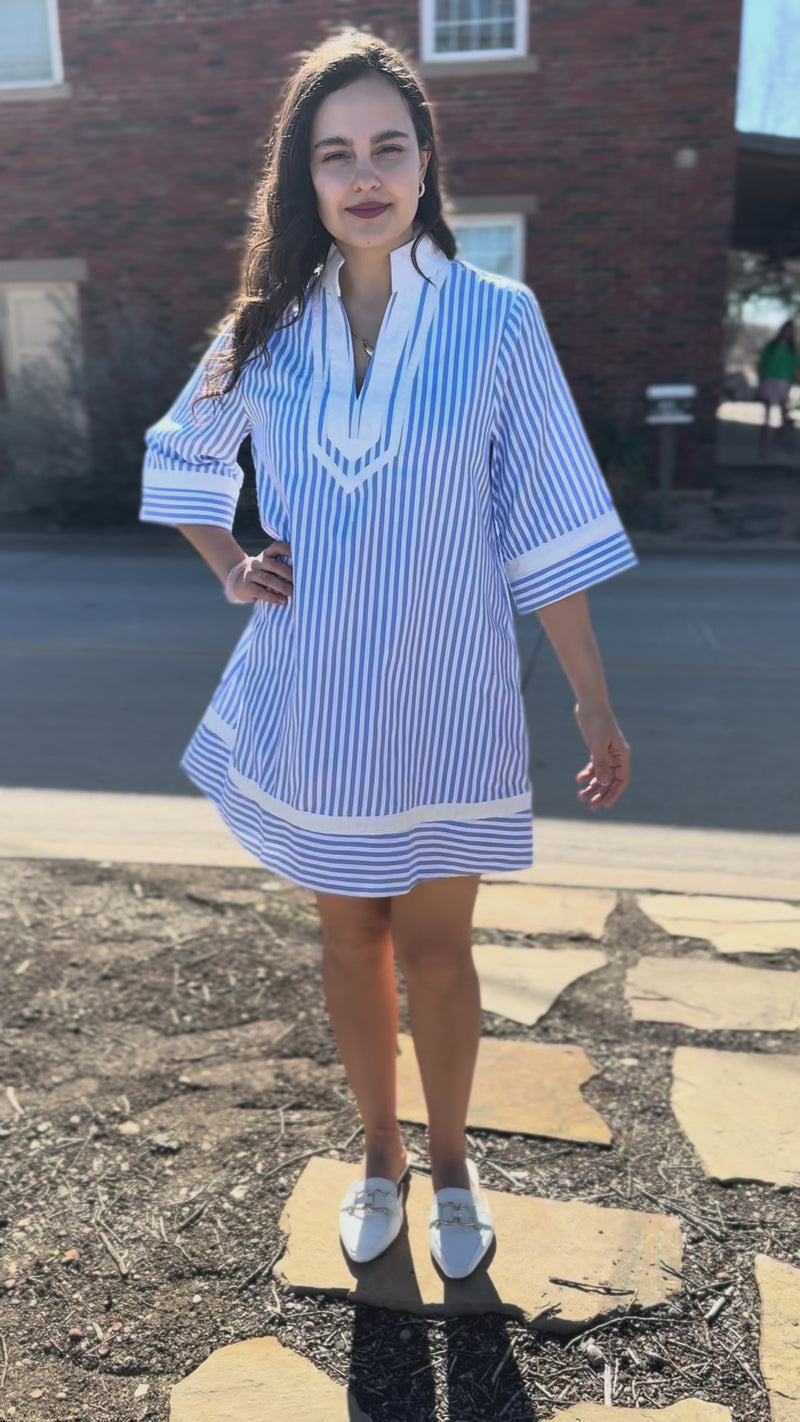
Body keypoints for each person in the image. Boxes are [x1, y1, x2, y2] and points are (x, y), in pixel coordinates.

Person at [139, 29, 638, 1281]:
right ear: (303, 181)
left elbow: (547, 520)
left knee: (438, 947)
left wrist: (593, 706)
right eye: (334, 154)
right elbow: (180, 462)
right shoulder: (266, 326)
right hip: (315, 692)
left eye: (387, 148)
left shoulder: (495, 322)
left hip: (451, 693)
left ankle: (455, 1158)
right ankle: (377, 1152)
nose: (363, 176)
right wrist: (232, 562)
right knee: (345, 938)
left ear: (424, 164)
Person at [757, 318, 799, 455]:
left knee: (783, 414)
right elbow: (761, 363)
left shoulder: (792, 350)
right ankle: (763, 447)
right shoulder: (771, 347)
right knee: (767, 415)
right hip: (769, 380)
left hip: (784, 382)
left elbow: (795, 367)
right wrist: (761, 380)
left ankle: (778, 445)